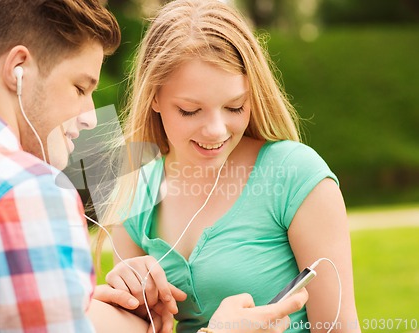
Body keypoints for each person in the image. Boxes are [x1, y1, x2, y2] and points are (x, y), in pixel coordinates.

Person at [0, 0, 306, 332]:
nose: (90, 116)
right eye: (80, 87)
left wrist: (103, 315)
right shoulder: (28, 192)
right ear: (18, 69)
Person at [98, 0, 361, 333]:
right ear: (154, 97)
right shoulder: (134, 189)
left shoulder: (293, 175)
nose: (216, 131)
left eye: (235, 106)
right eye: (190, 110)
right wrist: (126, 304)